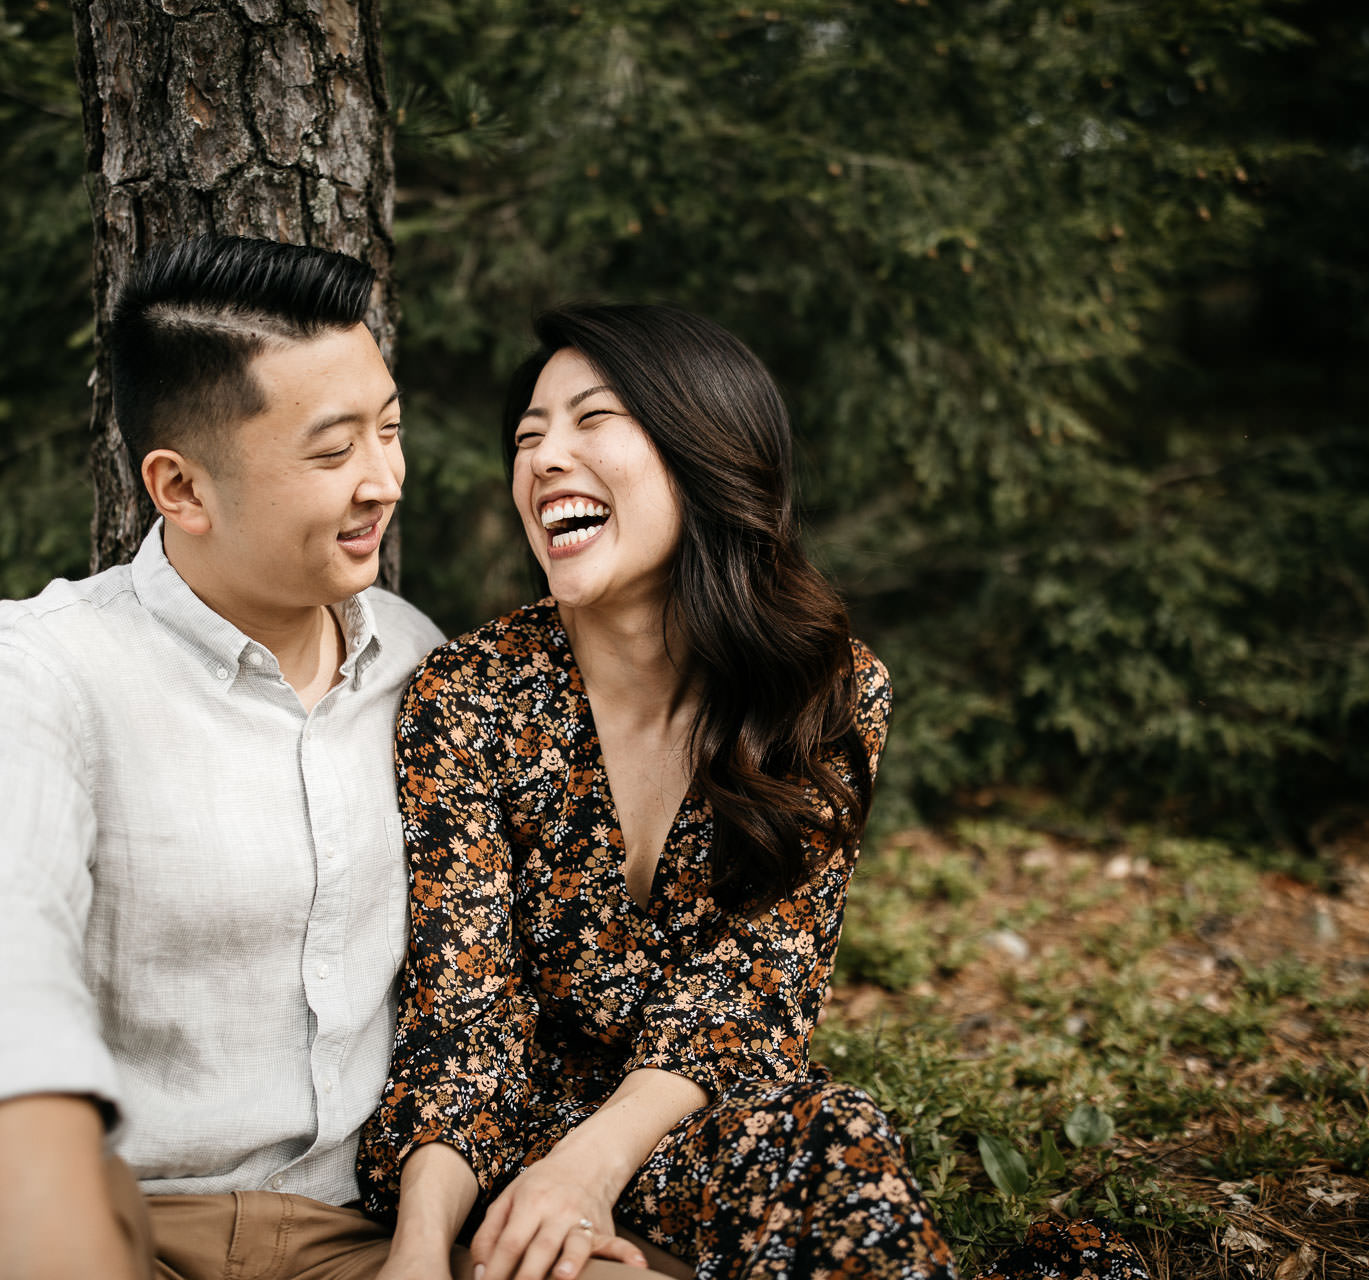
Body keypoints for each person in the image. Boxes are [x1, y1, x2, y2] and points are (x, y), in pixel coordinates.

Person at [357, 304, 1150, 1280]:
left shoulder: (825, 689)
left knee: (831, 1132)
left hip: (696, 1118)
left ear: (704, 451)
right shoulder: (467, 692)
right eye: (527, 435)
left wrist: (593, 1169)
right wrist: (420, 1249)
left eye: (592, 418)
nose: (544, 456)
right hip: (510, 1143)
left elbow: (750, 995)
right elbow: (460, 1021)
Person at [0, 234, 461, 1280]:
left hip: (358, 1239)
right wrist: (36, 1181)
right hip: (101, 1216)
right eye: (333, 453)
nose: (385, 480)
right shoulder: (39, 665)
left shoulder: (419, 660)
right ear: (181, 488)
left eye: (391, 430)